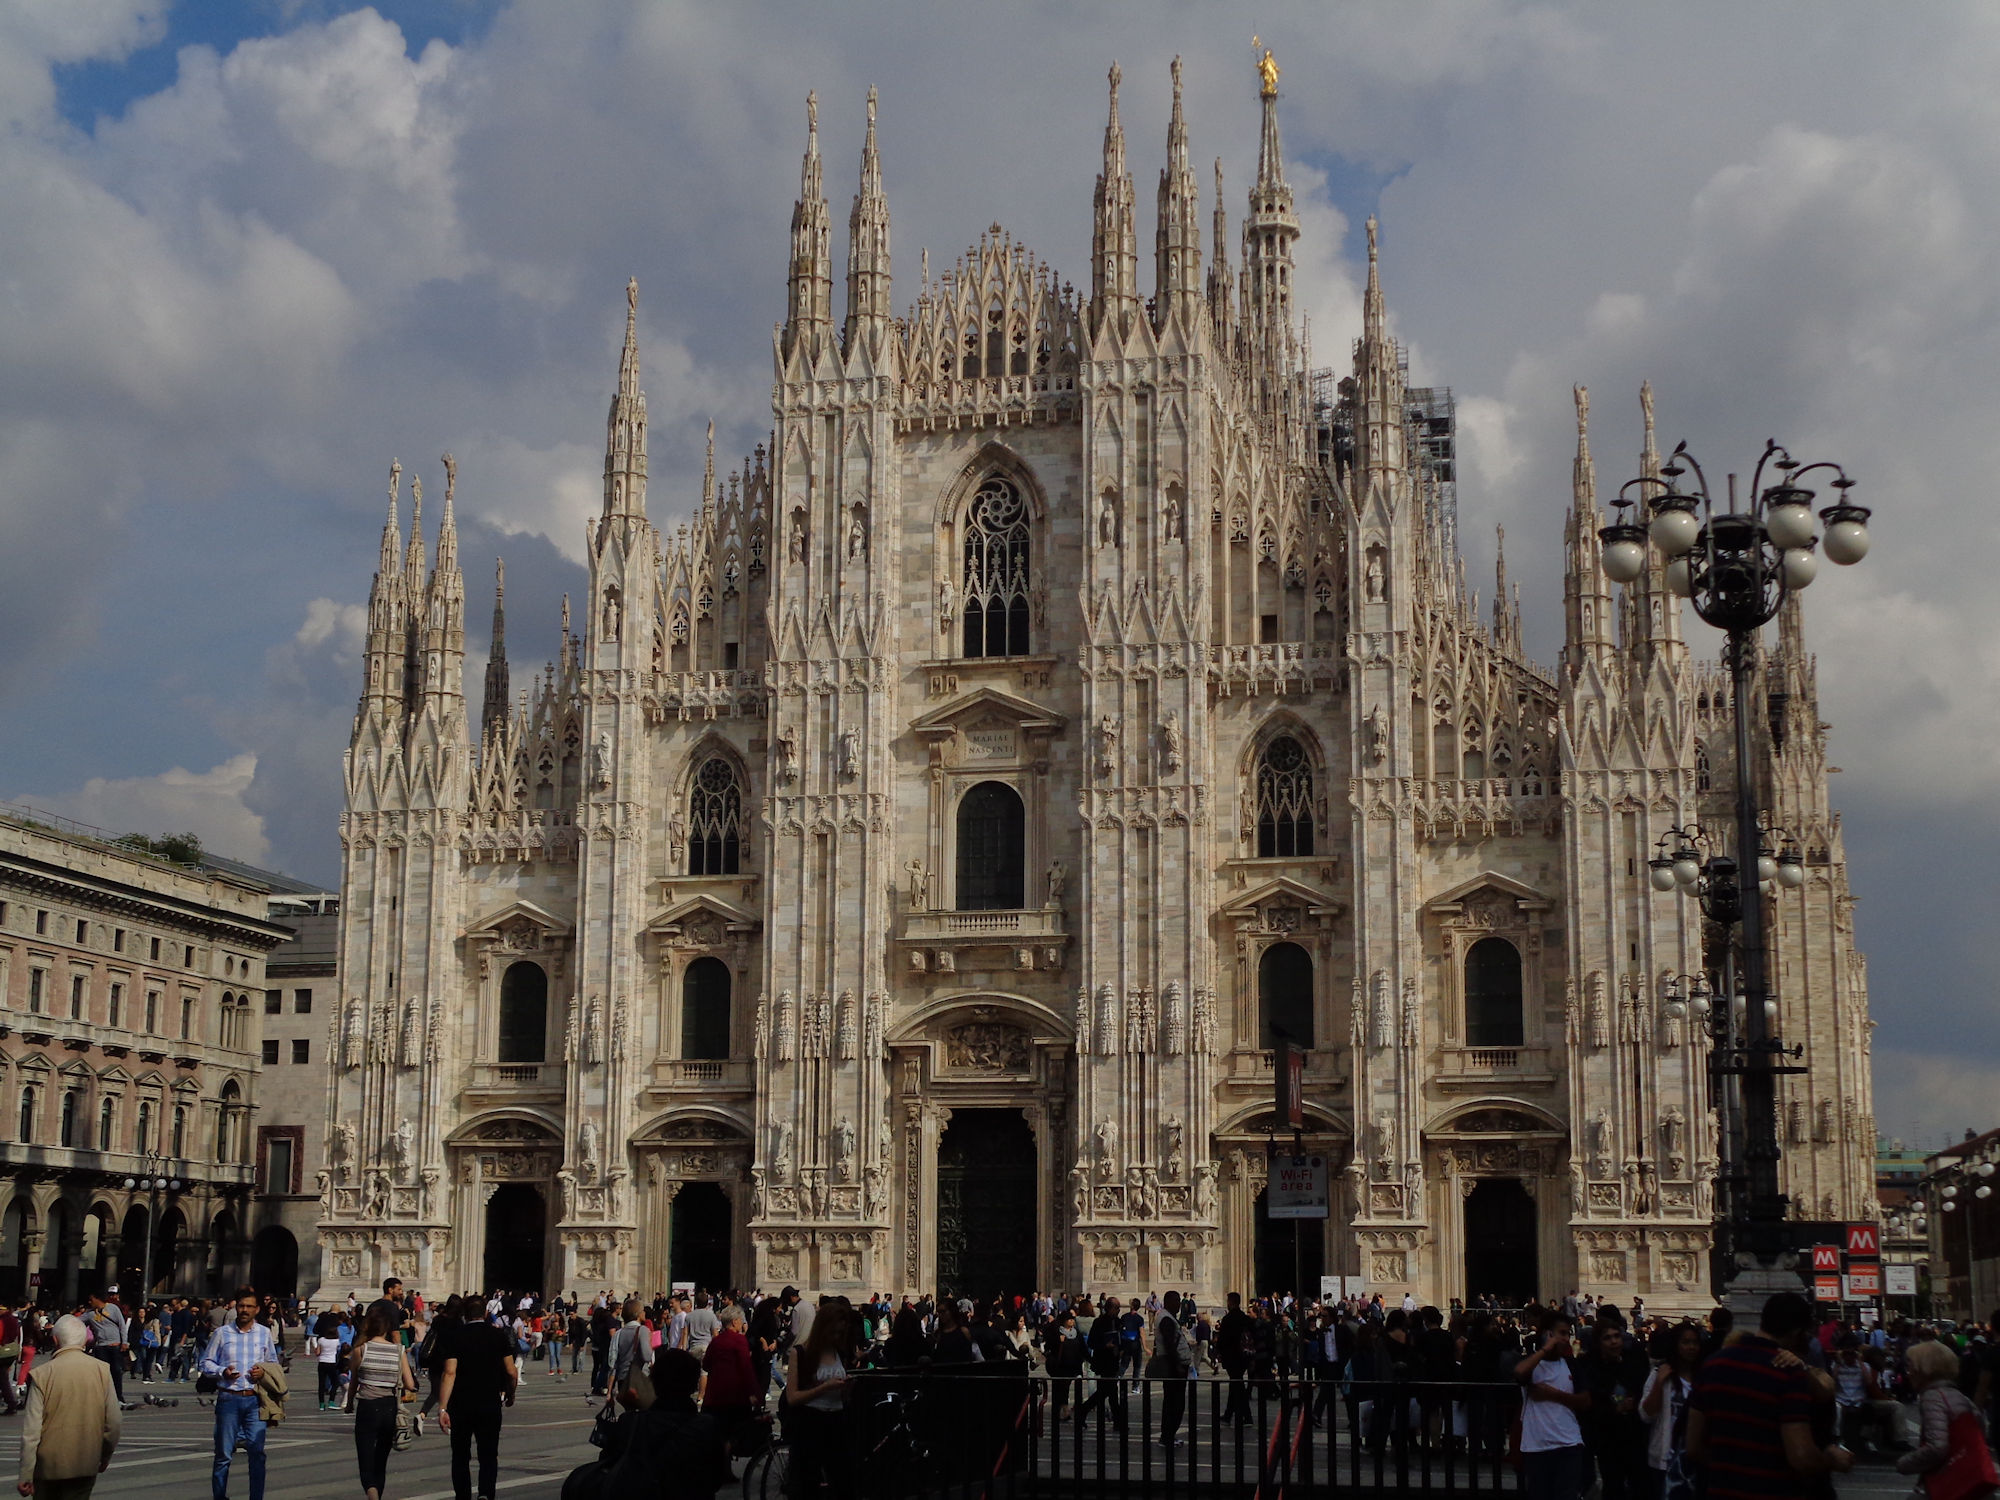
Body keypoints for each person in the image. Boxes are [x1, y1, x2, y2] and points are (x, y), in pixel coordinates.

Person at [1686, 1291, 1852, 1500]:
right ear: (1797, 1333)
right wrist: (1831, 1460)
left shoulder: (1712, 1365)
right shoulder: (1787, 1372)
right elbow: (1801, 1457)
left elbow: (1692, 1447)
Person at [16, 1314, 119, 1499]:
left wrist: (26, 1473)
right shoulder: (102, 1370)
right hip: (85, 1462)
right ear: (85, 1340)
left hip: (47, 1467)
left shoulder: (42, 1374)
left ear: (55, 1340)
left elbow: (31, 1431)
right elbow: (113, 1422)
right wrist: (104, 1456)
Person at [602, 1354, 729, 1500]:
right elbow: (716, 1479)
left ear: (654, 1382)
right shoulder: (707, 1426)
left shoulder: (630, 1423)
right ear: (694, 1385)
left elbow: (608, 1466)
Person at [201, 1287, 282, 1500]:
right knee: (223, 1454)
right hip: (229, 1398)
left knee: (257, 1454)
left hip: (255, 1400)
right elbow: (205, 1363)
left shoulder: (264, 1333)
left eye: (249, 1306)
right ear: (236, 1307)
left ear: (256, 1310)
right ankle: (219, 1496)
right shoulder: (222, 1333)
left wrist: (263, 1371)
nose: (244, 1310)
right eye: (241, 1306)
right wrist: (222, 1371)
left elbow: (273, 1363)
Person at [437, 1300, 517, 1500]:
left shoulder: (455, 1336)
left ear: (465, 1314)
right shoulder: (498, 1335)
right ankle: (485, 1494)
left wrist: (443, 1408)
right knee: (488, 1455)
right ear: (486, 1312)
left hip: (460, 1405)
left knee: (460, 1456)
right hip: (489, 1403)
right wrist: (511, 1393)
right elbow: (511, 1371)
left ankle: (463, 1496)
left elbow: (449, 1372)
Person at [1515, 1309, 1590, 1500]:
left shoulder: (1572, 1365)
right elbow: (1518, 1373)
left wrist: (1552, 1394)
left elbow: (1585, 1401)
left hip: (1568, 1443)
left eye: (1568, 1333)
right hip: (1536, 1446)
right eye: (1562, 1333)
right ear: (1548, 1334)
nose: (1566, 1338)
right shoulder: (1532, 1363)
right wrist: (1545, 1349)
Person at [783, 1304, 854, 1500]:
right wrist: (824, 1387)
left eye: (841, 1332)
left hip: (837, 1421)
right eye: (834, 1332)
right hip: (810, 1423)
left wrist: (846, 1390)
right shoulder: (800, 1353)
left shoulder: (839, 1353)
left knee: (843, 1482)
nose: (838, 1337)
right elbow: (792, 1397)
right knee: (807, 1484)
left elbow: (843, 1397)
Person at [1898, 1336, 1985, 1495]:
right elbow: (1979, 1427)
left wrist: (1904, 1464)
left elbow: (1937, 1447)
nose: (1908, 1373)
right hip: (1970, 1478)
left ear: (1923, 1369)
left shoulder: (1932, 1397)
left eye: (1910, 1367)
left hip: (1948, 1482)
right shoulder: (1958, 1396)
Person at [347, 1310, 415, 1500]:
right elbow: (410, 1384)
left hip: (367, 1407)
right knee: (381, 1460)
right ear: (386, 1330)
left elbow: (354, 1382)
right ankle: (378, 1493)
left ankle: (372, 1494)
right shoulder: (398, 1350)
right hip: (389, 1407)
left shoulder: (361, 1349)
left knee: (365, 1458)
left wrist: (349, 1403)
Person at [1639, 1321, 1703, 1500]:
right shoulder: (1660, 1373)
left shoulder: (1705, 1376)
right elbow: (1646, 1415)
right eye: (1685, 1342)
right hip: (1665, 1456)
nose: (1691, 1347)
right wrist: (1659, 1383)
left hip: (1696, 1456)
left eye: (1695, 1342)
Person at [700, 1305, 757, 1439]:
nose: (742, 1323)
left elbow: (706, 1365)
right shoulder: (740, 1340)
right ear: (734, 1321)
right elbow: (746, 1368)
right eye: (741, 1320)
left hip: (714, 1398)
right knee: (733, 1436)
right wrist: (755, 1393)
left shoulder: (715, 1341)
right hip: (734, 1398)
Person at [1148, 1290, 1193, 1452]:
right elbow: (1169, 1345)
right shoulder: (1166, 1319)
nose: (1179, 1304)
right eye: (1176, 1301)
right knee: (1175, 1404)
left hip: (1174, 1366)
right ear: (1168, 1302)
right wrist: (1178, 1365)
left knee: (1172, 1403)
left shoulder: (1167, 1317)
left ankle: (1168, 1436)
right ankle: (1167, 1437)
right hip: (1174, 1368)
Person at [81, 1292, 130, 1413]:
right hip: (101, 1347)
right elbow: (75, 1322)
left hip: (115, 1346)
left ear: (98, 1299)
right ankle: (104, 1398)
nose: (89, 1302)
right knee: (103, 1374)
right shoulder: (89, 1314)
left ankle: (119, 1397)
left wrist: (124, 1342)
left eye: (91, 1299)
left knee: (117, 1372)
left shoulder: (113, 1308)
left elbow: (122, 1325)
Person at [313, 1313, 345, 1411]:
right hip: (331, 1363)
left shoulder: (321, 1340)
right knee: (335, 1382)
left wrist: (317, 1349)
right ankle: (331, 1401)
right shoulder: (336, 1341)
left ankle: (321, 1404)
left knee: (321, 1384)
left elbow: (317, 1353)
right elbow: (338, 1350)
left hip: (322, 1362)